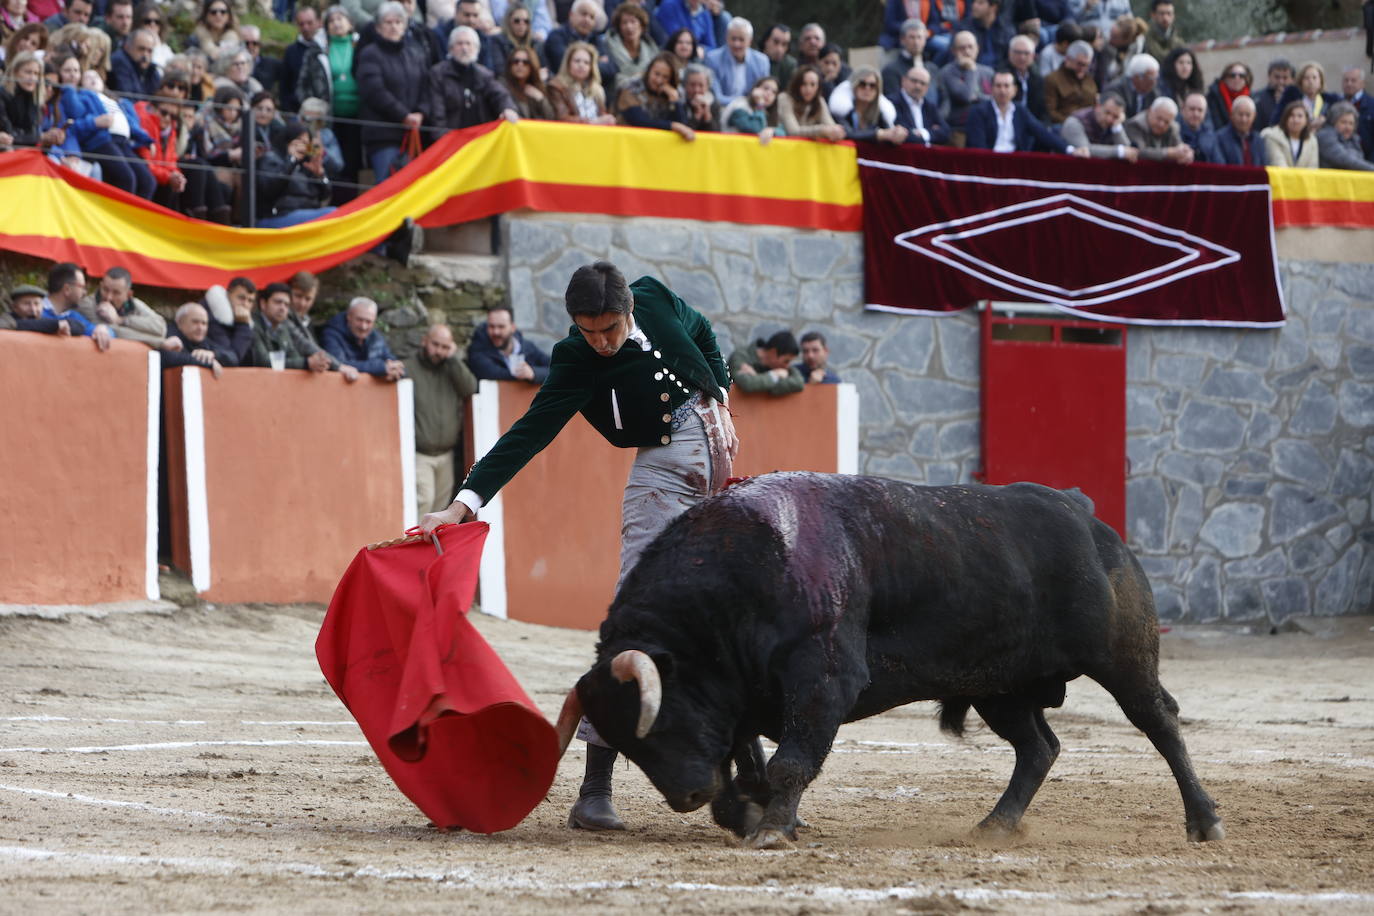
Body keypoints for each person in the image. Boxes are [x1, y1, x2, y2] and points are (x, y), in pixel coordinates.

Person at [418, 261, 738, 833]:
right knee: (636, 615)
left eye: (609, 330)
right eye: (589, 332)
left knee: (717, 610)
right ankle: (595, 790)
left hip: (711, 459)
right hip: (661, 472)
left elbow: (705, 330)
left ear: (629, 311)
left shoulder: (656, 298)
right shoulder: (575, 359)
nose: (602, 343)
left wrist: (718, 390)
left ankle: (743, 774)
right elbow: (529, 432)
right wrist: (462, 504)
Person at [405, 323, 479, 515]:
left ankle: (430, 545)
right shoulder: (408, 368)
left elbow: (470, 388)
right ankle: (415, 544)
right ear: (424, 341)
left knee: (440, 509)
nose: (439, 351)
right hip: (421, 453)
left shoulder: (452, 368)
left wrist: (453, 359)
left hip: (446, 454)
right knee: (424, 500)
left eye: (445, 347)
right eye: (435, 344)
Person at [357, 1, 432, 181]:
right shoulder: (370, 54)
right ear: (378, 27)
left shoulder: (415, 53)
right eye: (388, 22)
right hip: (384, 137)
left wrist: (421, 112)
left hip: (414, 133)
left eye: (398, 22)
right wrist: (403, 115)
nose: (393, 27)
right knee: (389, 188)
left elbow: (426, 86)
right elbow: (374, 91)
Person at [969, 69, 1083, 155]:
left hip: (1014, 162)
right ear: (992, 89)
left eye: (1006, 86)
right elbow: (978, 147)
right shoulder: (979, 112)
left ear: (1014, 90)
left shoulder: (1020, 111)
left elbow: (1042, 132)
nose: (1002, 91)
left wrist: (1070, 150)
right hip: (988, 163)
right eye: (998, 86)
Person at [429, 25, 519, 131]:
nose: (464, 48)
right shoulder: (438, 74)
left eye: (468, 43)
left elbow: (500, 94)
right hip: (451, 138)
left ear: (476, 49)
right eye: (460, 43)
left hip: (478, 138)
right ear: (451, 48)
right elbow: (437, 114)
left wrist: (507, 108)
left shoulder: (484, 74)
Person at [75, 266, 168, 349]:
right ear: (100, 285)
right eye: (105, 289)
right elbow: (114, 332)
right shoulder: (87, 304)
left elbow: (160, 328)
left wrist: (120, 320)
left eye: (116, 293)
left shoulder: (134, 304)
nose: (108, 297)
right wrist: (159, 342)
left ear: (128, 294)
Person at [323, 296, 407, 379]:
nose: (363, 326)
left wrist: (396, 370)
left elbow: (393, 363)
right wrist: (380, 368)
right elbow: (337, 364)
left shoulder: (376, 337)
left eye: (368, 321)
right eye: (359, 320)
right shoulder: (332, 334)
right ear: (349, 316)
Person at [615, 50, 693, 139]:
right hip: (629, 144)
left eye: (665, 77)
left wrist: (674, 101)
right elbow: (640, 122)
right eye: (656, 74)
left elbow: (683, 126)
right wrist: (672, 126)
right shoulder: (630, 87)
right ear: (649, 71)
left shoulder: (675, 92)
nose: (659, 80)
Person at [466, 303, 551, 382]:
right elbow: (491, 373)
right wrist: (521, 373)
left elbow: (557, 368)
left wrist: (534, 373)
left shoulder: (527, 347)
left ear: (512, 328)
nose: (496, 332)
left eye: (501, 326)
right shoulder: (478, 348)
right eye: (491, 326)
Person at [41, 262, 113, 350]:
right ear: (67, 289)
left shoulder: (73, 316)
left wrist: (102, 329)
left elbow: (107, 333)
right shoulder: (33, 311)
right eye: (82, 287)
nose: (85, 292)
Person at [937, 30, 993, 143]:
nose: (967, 51)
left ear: (977, 48)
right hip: (959, 130)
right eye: (962, 48)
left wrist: (977, 97)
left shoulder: (988, 72)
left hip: (987, 128)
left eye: (970, 47)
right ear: (953, 50)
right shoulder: (948, 72)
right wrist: (971, 70)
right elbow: (966, 96)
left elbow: (994, 101)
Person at [703, 16, 767, 108]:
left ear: (750, 41)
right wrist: (747, 101)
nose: (736, 44)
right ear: (726, 38)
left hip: (752, 111)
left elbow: (763, 95)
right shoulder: (712, 59)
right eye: (733, 39)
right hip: (723, 109)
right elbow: (716, 97)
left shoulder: (762, 61)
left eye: (741, 40)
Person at [833, 67, 907, 144]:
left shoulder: (881, 112)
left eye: (872, 85)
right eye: (862, 84)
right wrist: (878, 134)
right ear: (854, 85)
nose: (867, 88)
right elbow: (847, 134)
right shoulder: (843, 110)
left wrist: (897, 134)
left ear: (877, 90)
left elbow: (888, 133)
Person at [546, 40, 615, 124]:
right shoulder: (557, 86)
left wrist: (607, 118)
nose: (581, 65)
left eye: (586, 63)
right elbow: (562, 118)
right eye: (577, 61)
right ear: (568, 63)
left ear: (592, 67)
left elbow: (601, 114)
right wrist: (592, 122)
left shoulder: (597, 89)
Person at [1060, 90, 1135, 160]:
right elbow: (1084, 150)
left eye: (1115, 116)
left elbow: (1128, 151)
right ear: (1098, 106)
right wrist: (1118, 151)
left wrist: (1117, 126)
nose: (1109, 119)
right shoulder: (1075, 122)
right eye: (1107, 112)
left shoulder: (1114, 123)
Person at [778, 63, 844, 141]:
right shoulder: (785, 98)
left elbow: (830, 126)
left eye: (812, 84)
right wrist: (822, 130)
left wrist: (836, 131)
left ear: (818, 87)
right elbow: (793, 131)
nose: (808, 89)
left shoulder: (819, 100)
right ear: (797, 84)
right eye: (804, 84)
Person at [280, 5, 325, 114]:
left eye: (310, 23)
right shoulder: (291, 51)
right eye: (301, 24)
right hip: (298, 110)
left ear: (319, 22)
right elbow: (285, 84)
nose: (305, 27)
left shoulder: (327, 47)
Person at [728, 329, 802, 395]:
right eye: (786, 361)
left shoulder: (780, 366)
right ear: (773, 352)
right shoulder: (741, 355)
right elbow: (747, 384)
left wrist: (757, 379)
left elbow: (799, 382)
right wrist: (775, 375)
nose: (787, 366)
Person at [890, 63, 949, 145]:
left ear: (927, 88)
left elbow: (945, 132)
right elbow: (900, 133)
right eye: (914, 81)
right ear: (903, 81)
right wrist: (931, 132)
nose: (918, 86)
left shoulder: (929, 106)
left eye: (922, 83)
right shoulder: (892, 102)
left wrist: (922, 133)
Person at [162, 302, 226, 377]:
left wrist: (214, 354)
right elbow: (169, 356)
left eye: (204, 323)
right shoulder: (168, 333)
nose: (200, 328)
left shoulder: (203, 339)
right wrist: (207, 362)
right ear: (179, 323)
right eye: (195, 322)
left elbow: (233, 357)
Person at [542, 0, 602, 77]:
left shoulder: (595, 38)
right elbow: (564, 64)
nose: (587, 20)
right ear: (571, 14)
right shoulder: (556, 36)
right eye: (583, 14)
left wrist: (578, 63)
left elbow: (610, 69)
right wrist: (596, 62)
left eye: (592, 17)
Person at [1123, 96, 1192, 163]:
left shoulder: (1173, 127)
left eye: (1166, 122)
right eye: (1159, 118)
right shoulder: (1135, 124)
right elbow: (1138, 151)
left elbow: (1178, 146)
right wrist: (1168, 153)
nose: (1161, 124)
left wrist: (1186, 153)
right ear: (1150, 111)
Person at [601, 2, 656, 86]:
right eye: (624, 23)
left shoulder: (652, 49)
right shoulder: (607, 46)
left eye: (633, 21)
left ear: (641, 26)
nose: (629, 27)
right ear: (619, 27)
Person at [1043, 38, 1096, 124]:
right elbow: (1050, 112)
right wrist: (1071, 123)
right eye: (1080, 64)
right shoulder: (1052, 80)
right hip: (1063, 125)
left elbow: (1094, 106)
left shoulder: (1089, 80)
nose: (1084, 69)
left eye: (1087, 65)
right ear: (1068, 59)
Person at [720, 73, 783, 141]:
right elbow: (756, 129)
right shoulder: (740, 105)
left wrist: (773, 131)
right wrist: (760, 105)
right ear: (755, 89)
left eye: (774, 92)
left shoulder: (767, 112)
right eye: (766, 88)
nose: (769, 93)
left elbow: (783, 132)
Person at [1316, 100, 1374, 171]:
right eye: (1343, 122)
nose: (1348, 127)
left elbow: (1358, 159)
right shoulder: (1325, 135)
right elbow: (1345, 160)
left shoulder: (1354, 138)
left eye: (1351, 123)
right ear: (1333, 122)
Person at [953, 0, 1011, 69]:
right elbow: (955, 54)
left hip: (1000, 74)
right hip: (972, 70)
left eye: (980, 3)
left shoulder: (1005, 29)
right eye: (974, 2)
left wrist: (1002, 71)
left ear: (993, 7)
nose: (974, 6)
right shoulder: (964, 28)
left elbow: (1009, 57)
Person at [881, 19, 930, 102]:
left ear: (925, 40)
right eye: (912, 37)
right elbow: (893, 101)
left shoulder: (932, 69)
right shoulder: (891, 71)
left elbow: (944, 99)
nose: (916, 42)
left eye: (919, 37)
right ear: (902, 40)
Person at [1260, 99, 1317, 169]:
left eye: (1300, 116)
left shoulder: (1312, 140)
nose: (1296, 120)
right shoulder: (1273, 136)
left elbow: (1312, 168)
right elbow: (1278, 164)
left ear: (1306, 120)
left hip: (1305, 179)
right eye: (1292, 115)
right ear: (1285, 118)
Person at [500, 46, 554, 119]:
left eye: (525, 62)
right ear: (510, 64)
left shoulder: (538, 87)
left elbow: (551, 118)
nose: (520, 64)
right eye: (516, 61)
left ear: (532, 66)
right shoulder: (502, 86)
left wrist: (541, 99)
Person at [654, 0, 727, 54]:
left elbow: (711, 47)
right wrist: (695, 48)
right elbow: (676, 40)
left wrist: (702, 49)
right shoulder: (670, 5)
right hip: (673, 55)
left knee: (725, 17)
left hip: (695, 57)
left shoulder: (705, 14)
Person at [1213, 95, 1266, 167]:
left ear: (1254, 116)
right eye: (1240, 114)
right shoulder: (1219, 138)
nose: (1244, 120)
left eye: (1248, 115)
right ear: (1232, 115)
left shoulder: (1259, 140)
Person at [2, 283, 75, 336]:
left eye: (36, 304)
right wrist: (55, 325)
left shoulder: (44, 320)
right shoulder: (7, 319)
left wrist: (64, 325)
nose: (33, 309)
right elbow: (19, 324)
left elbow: (79, 326)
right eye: (26, 304)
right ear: (14, 307)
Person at [1104, 52, 1159, 119]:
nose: (1154, 82)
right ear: (1137, 77)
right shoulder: (1116, 90)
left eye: (1156, 78)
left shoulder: (1153, 94)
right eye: (1151, 78)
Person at [187, 0, 242, 65]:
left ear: (229, 15)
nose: (218, 15)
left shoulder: (234, 37)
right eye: (213, 12)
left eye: (223, 12)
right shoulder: (196, 38)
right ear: (206, 15)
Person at [1005, 34, 1045, 121]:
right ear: (1009, 53)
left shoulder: (1038, 78)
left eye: (1026, 53)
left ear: (1033, 56)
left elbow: (1042, 110)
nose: (1022, 57)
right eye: (1018, 52)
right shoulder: (1003, 76)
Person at [1339, 67, 1374, 162]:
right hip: (1340, 159)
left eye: (1353, 80)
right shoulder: (1336, 103)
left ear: (1363, 83)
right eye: (1346, 80)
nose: (1349, 84)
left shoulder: (1372, 105)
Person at [1205, 60, 1251, 131]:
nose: (1237, 78)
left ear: (1246, 79)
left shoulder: (1252, 98)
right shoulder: (1213, 96)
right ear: (1225, 78)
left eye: (1241, 76)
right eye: (1232, 75)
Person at [1178, 90, 1219, 163]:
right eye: (1192, 109)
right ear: (1182, 110)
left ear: (1205, 113)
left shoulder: (1211, 136)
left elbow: (1219, 164)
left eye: (1200, 110)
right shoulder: (1172, 132)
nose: (1196, 114)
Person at [239, 25, 281, 93]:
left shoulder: (271, 64)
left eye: (255, 43)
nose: (251, 47)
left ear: (259, 44)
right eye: (246, 43)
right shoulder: (232, 65)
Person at [1252, 58, 1293, 128]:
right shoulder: (1257, 98)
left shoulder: (1296, 99)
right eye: (1277, 77)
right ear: (1269, 76)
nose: (1281, 82)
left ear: (1291, 79)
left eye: (1285, 78)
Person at [760, 22, 795, 89]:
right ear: (766, 40)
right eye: (775, 42)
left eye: (784, 44)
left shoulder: (790, 65)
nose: (779, 49)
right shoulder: (752, 59)